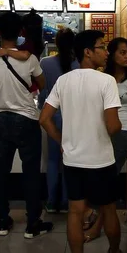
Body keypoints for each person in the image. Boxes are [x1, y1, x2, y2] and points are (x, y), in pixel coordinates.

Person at [40, 30, 123, 253]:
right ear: (87, 52)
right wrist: (107, 131)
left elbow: (44, 119)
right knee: (108, 209)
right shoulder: (106, 81)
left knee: (75, 213)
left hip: (74, 161)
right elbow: (113, 126)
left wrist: (63, 142)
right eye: (101, 47)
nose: (106, 51)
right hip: (102, 160)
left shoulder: (64, 81)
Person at [0, 12, 53, 238]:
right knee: (30, 172)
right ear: (21, 33)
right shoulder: (30, 59)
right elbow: (42, 85)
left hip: (2, 119)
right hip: (26, 119)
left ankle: (3, 220)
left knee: (1, 170)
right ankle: (32, 223)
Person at [83, 37, 127, 241]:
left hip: (123, 134)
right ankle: (95, 217)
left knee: (108, 180)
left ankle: (97, 227)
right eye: (122, 52)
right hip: (105, 132)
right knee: (103, 179)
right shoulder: (104, 78)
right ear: (112, 54)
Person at [39, 29, 79, 213]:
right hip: (74, 118)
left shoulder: (45, 63)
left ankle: (51, 201)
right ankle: (65, 202)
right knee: (69, 160)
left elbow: (43, 94)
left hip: (52, 117)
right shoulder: (79, 65)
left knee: (53, 160)